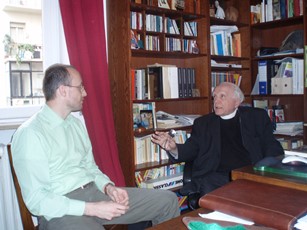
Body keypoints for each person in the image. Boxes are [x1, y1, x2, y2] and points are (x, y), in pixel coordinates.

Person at [11, 64, 180, 230]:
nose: (85, 92)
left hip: (93, 192)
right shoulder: (30, 133)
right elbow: (37, 200)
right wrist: (92, 208)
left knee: (168, 201)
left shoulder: (75, 125)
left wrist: (108, 187)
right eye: (80, 87)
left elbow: (90, 167)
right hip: (60, 209)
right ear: (63, 90)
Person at [151, 82, 284, 209]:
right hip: (217, 176)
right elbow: (191, 149)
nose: (216, 101)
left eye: (222, 96)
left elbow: (271, 145)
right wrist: (173, 147)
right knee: (210, 200)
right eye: (214, 97)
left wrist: (270, 170)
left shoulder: (256, 117)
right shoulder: (203, 123)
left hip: (249, 175)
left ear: (237, 102)